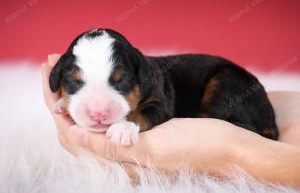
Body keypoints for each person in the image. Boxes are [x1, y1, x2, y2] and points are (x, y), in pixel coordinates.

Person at [42, 54, 300, 188]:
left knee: (222, 87)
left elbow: (150, 112)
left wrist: (234, 153)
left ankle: (246, 128)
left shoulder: (150, 86)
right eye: (76, 84)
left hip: (229, 82)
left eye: (117, 83)